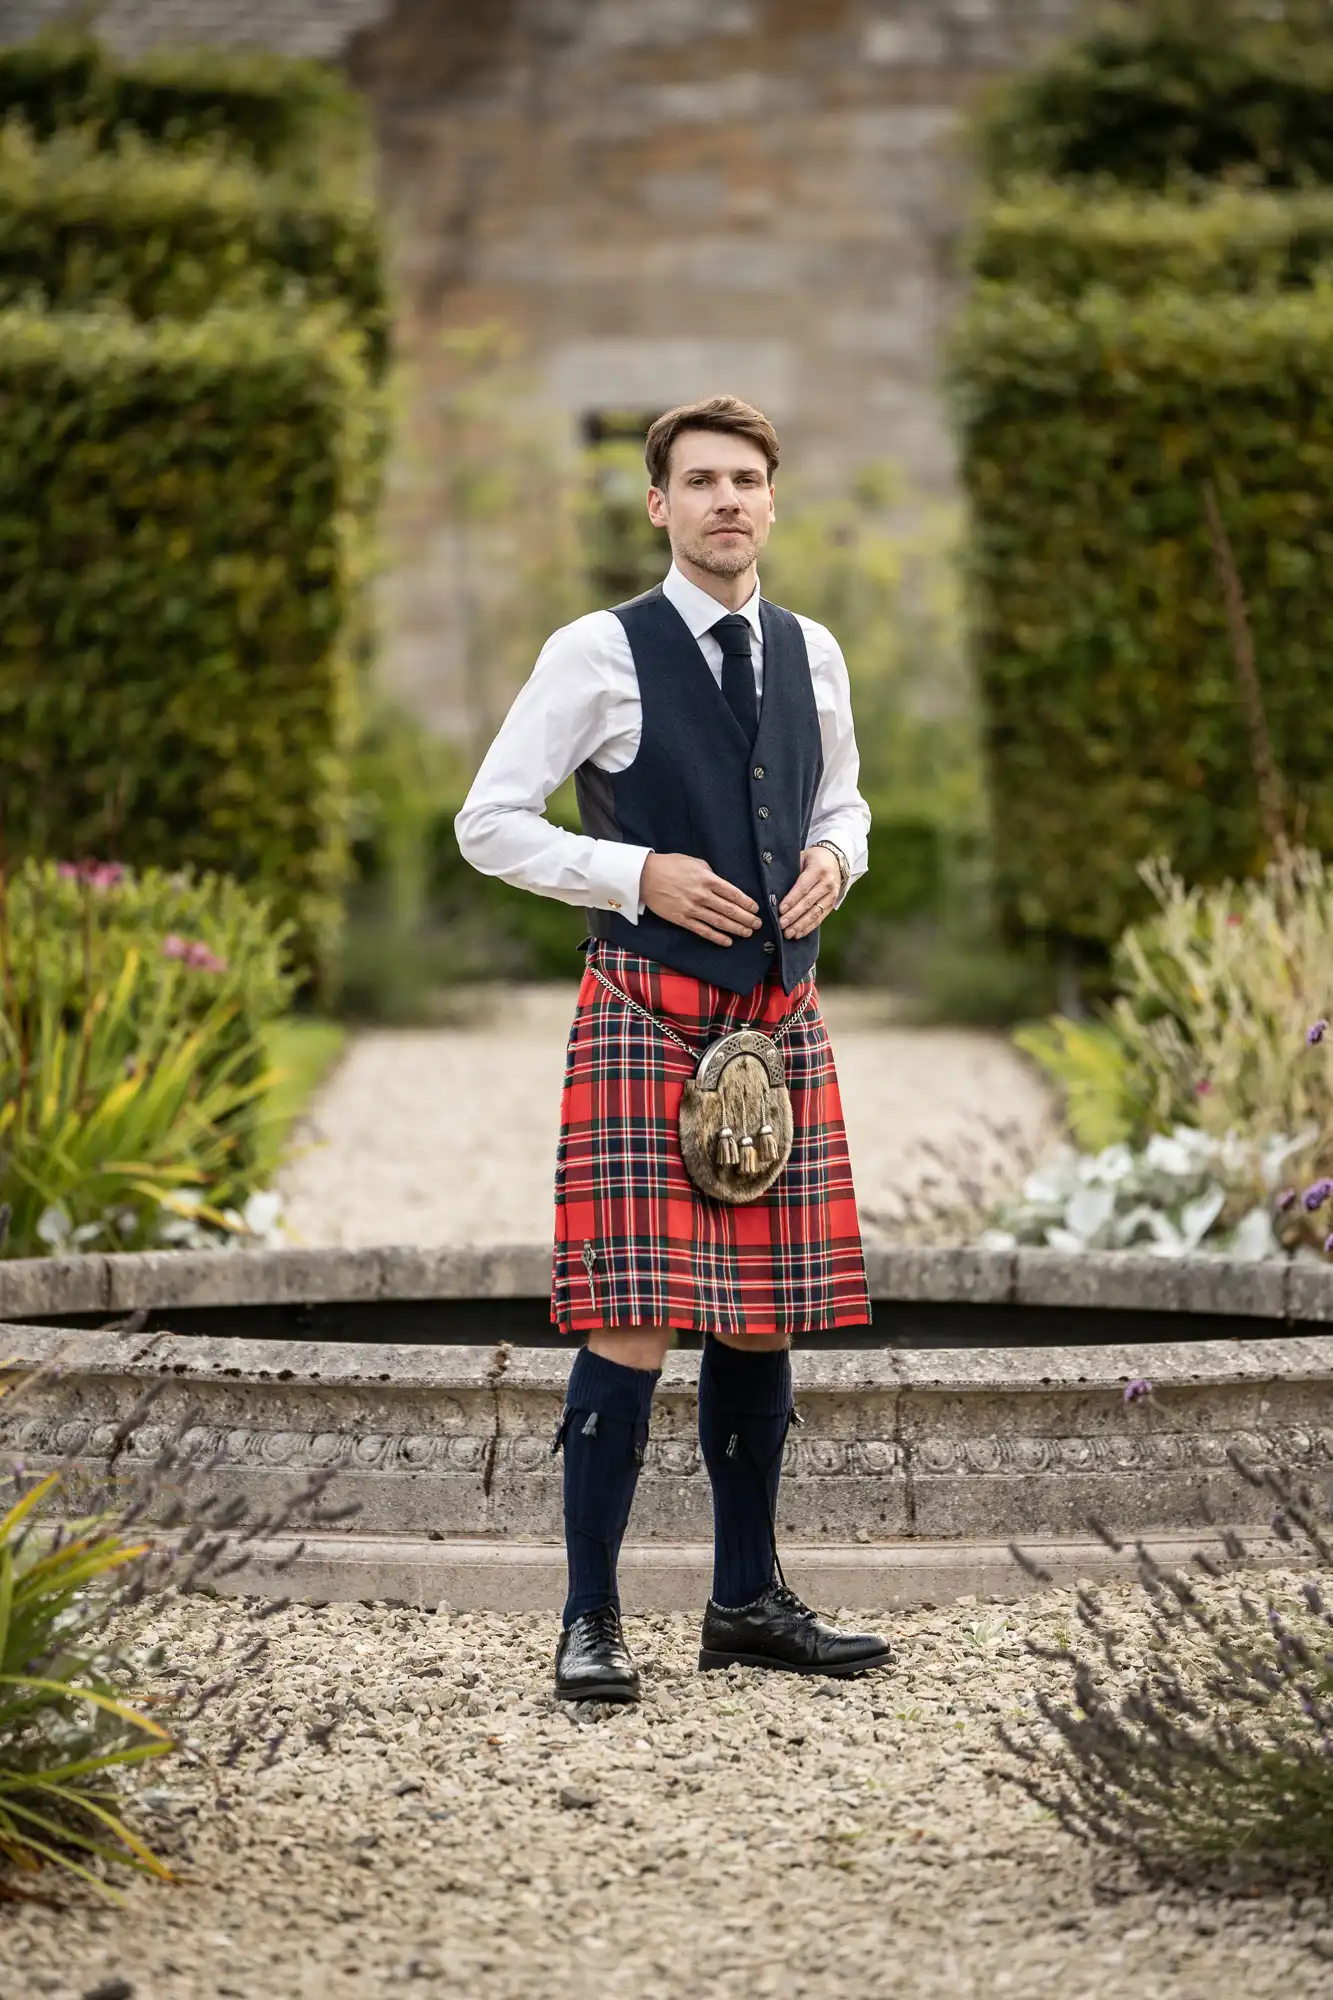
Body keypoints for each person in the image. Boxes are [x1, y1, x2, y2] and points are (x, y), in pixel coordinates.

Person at [456, 393, 890, 1702]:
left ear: (773, 497)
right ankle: (589, 1619)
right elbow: (489, 821)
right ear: (659, 506)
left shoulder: (813, 651)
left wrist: (837, 856)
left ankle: (747, 1600)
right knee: (629, 1320)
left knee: (764, 1324)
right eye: (700, 481)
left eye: (747, 479)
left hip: (777, 1022)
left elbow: (845, 797)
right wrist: (634, 870)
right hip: (648, 1017)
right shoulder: (597, 651)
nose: (726, 501)